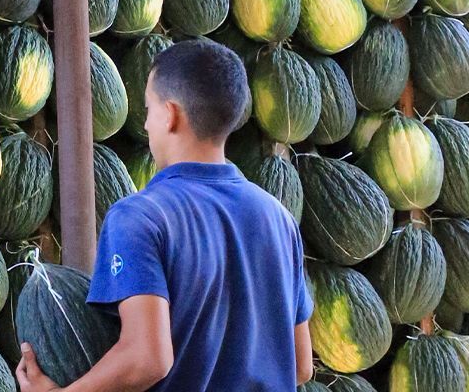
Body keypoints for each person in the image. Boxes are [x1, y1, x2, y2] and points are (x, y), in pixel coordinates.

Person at [16, 39, 314, 392]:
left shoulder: (138, 217)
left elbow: (147, 359)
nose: (145, 127)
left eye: (149, 110)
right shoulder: (278, 219)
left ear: (170, 114)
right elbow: (300, 365)